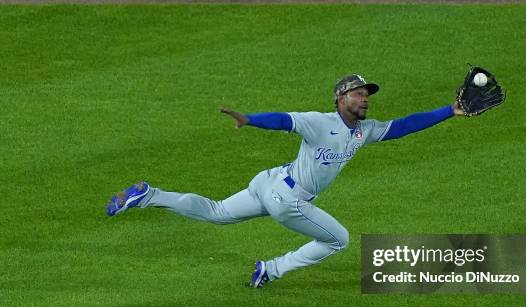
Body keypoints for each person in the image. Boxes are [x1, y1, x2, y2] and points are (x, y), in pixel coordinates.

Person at [106, 74, 464, 288]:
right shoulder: (318, 121)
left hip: (272, 182)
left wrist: (450, 111)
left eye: (367, 93)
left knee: (216, 212)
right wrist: (251, 119)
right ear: (340, 98)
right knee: (338, 240)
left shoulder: (364, 131)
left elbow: (405, 126)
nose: (365, 98)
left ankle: (149, 195)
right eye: (358, 93)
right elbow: (283, 120)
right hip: (286, 199)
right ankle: (272, 269)